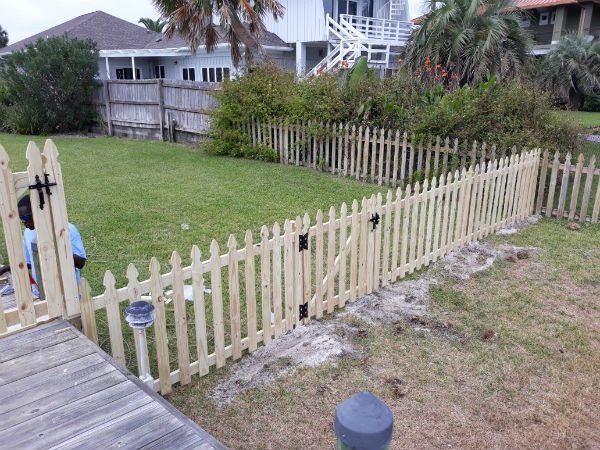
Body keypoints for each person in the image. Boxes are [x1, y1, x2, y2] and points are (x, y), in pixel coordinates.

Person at [0, 195, 86, 292]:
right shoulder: (28, 233)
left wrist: (55, 248)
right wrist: (6, 268)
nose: (24, 222)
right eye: (21, 218)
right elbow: (30, 263)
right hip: (40, 290)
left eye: (27, 217)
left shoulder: (66, 229)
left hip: (66, 290)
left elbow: (80, 263)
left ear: (38, 212)